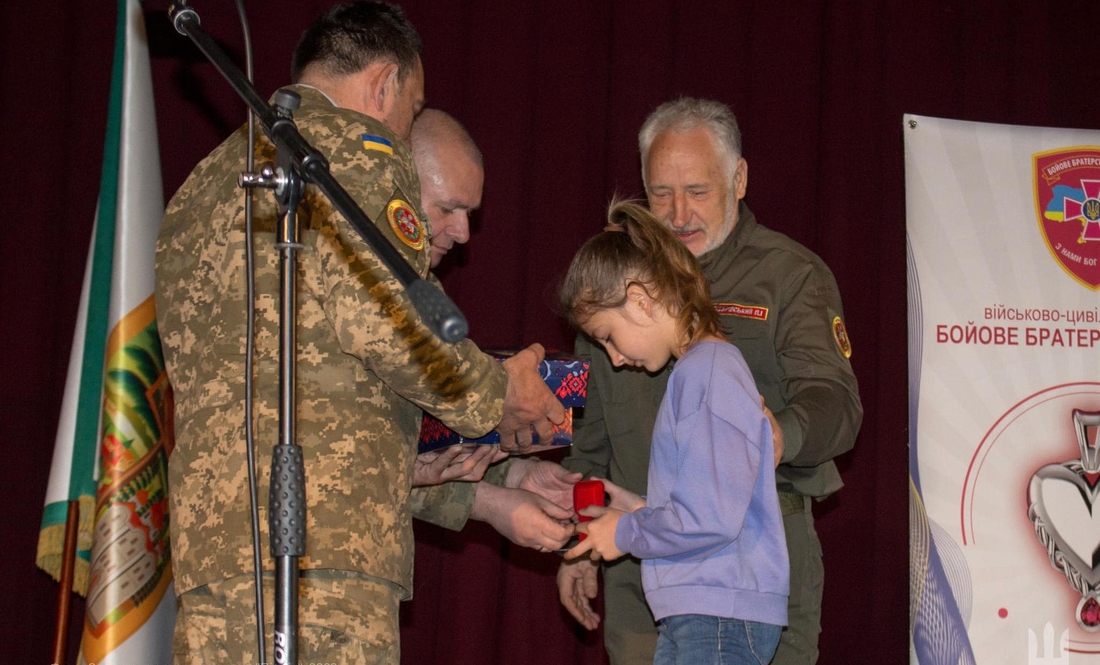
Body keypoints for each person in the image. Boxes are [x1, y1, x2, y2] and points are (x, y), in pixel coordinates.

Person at [155, 4, 565, 664]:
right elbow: (395, 328)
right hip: (322, 563)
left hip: (215, 564)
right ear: (383, 85)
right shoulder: (352, 151)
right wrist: (501, 393)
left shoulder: (200, 186)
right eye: (413, 105)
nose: (406, 132)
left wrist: (456, 485)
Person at [557, 98, 863, 664]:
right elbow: (590, 433)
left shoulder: (789, 275)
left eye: (697, 191)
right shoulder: (613, 283)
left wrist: (780, 436)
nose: (677, 214)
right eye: (660, 193)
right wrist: (580, 543)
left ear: (739, 178)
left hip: (748, 564)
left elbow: (838, 404)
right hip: (641, 558)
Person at [559, 200, 789, 665]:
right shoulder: (696, 373)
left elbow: (710, 519)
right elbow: (707, 508)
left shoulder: (710, 371)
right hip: (698, 610)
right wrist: (629, 505)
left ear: (641, 301)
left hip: (719, 614)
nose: (615, 358)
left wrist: (625, 532)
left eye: (607, 335)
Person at [408, 108, 577, 551]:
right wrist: (491, 504)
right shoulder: (351, 279)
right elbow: (343, 454)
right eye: (447, 208)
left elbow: (411, 440)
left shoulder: (423, 292)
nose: (463, 232)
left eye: (470, 212)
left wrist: (513, 475)